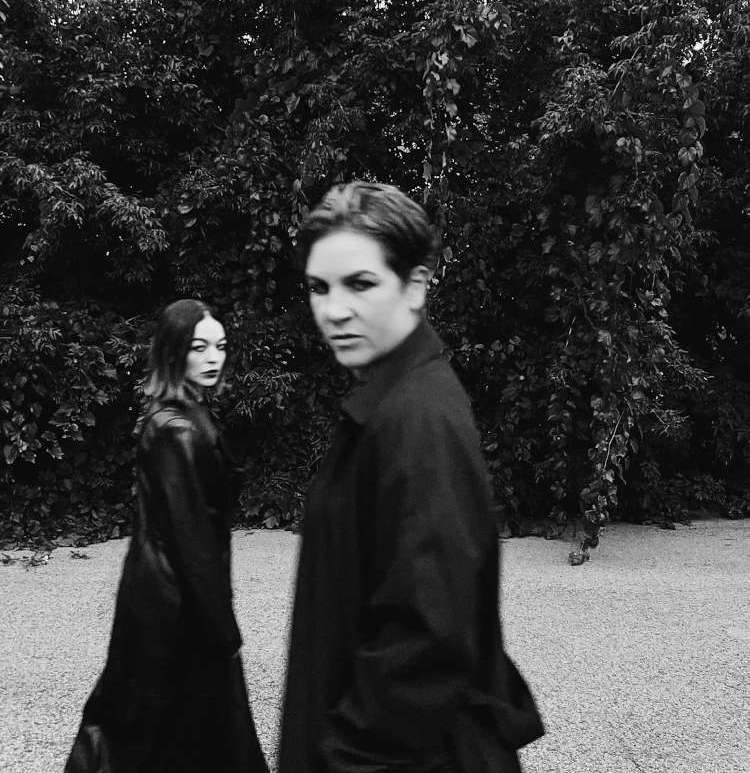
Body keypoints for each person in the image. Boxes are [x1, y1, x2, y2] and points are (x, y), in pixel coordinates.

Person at [278, 182, 544, 773]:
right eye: (319, 287)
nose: (334, 310)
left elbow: (428, 640)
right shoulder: (391, 400)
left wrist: (340, 757)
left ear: (416, 285)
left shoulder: (417, 418)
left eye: (360, 284)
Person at [65, 299, 268, 773]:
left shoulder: (181, 413)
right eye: (200, 347)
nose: (214, 357)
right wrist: (222, 628)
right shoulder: (176, 428)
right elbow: (191, 539)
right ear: (174, 352)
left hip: (163, 597)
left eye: (220, 346)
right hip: (175, 605)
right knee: (163, 728)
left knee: (159, 725)